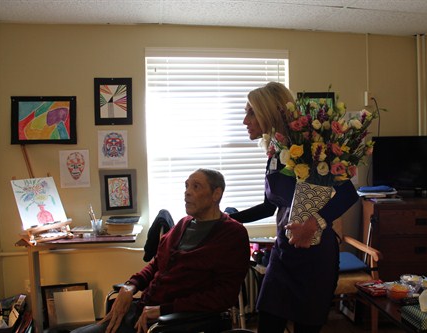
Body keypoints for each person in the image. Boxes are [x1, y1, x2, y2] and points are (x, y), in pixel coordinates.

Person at [229, 82, 360, 333]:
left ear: (269, 112)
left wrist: (313, 224)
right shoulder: (275, 153)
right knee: (268, 321)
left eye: (251, 112)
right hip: (283, 253)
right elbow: (270, 206)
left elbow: (347, 195)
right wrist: (230, 219)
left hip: (315, 254)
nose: (245, 120)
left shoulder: (310, 149)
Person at [72, 169, 251, 333]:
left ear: (216, 194)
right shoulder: (183, 224)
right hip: (142, 309)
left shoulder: (232, 235)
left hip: (170, 321)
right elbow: (157, 264)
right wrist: (130, 285)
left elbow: (223, 297)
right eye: (186, 186)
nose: (187, 192)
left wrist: (165, 310)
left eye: (196, 187)